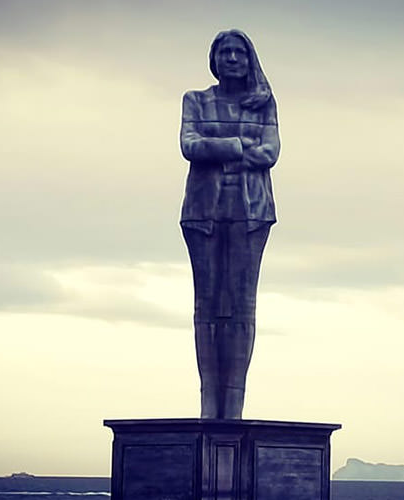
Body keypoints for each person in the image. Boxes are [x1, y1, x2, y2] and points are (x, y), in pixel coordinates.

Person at [179, 29, 280, 419]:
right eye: (225, 51)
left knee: (242, 308)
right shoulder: (196, 101)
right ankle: (209, 403)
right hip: (204, 212)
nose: (233, 58)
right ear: (214, 59)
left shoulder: (263, 104)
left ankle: (233, 408)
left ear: (249, 58)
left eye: (240, 51)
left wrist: (215, 145)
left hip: (251, 211)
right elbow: (189, 145)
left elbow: (271, 153)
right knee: (206, 306)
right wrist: (239, 146)